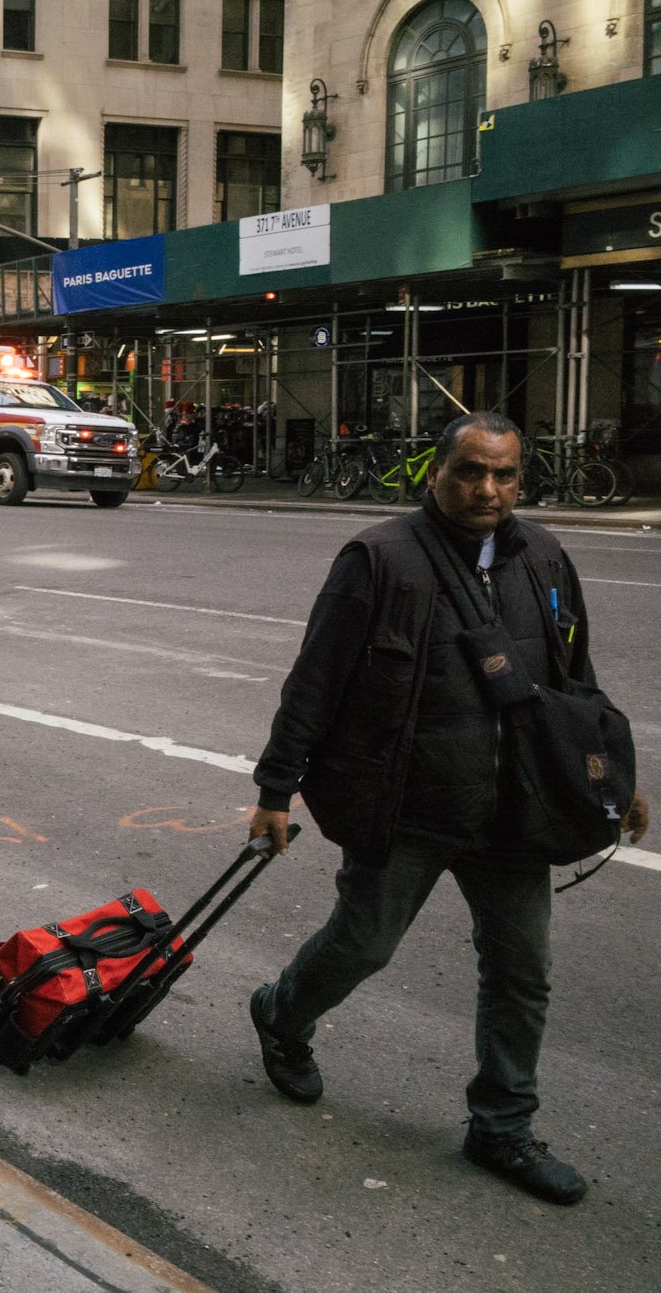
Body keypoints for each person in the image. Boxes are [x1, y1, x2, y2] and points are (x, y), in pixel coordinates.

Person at [246, 411, 649, 1207]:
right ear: (437, 472)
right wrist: (274, 790)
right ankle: (283, 1015)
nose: (486, 489)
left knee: (522, 970)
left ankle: (500, 1126)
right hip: (408, 806)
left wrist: (609, 778)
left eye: (503, 475)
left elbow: (576, 679)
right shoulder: (379, 559)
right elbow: (316, 680)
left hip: (514, 808)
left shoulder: (545, 554)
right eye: (470, 471)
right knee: (362, 945)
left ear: (521, 481)